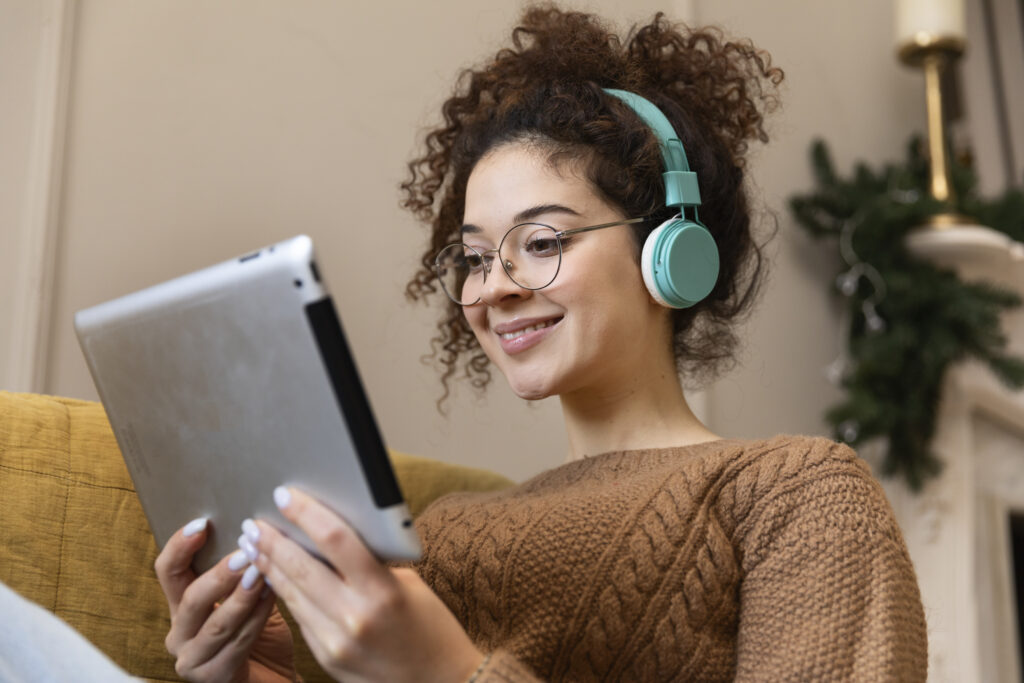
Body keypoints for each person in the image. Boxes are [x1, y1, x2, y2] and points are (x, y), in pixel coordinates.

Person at [155, 6, 929, 681]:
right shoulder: (442, 540)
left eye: (542, 240)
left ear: (671, 251)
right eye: (476, 257)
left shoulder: (794, 493)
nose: (493, 287)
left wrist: (451, 674)